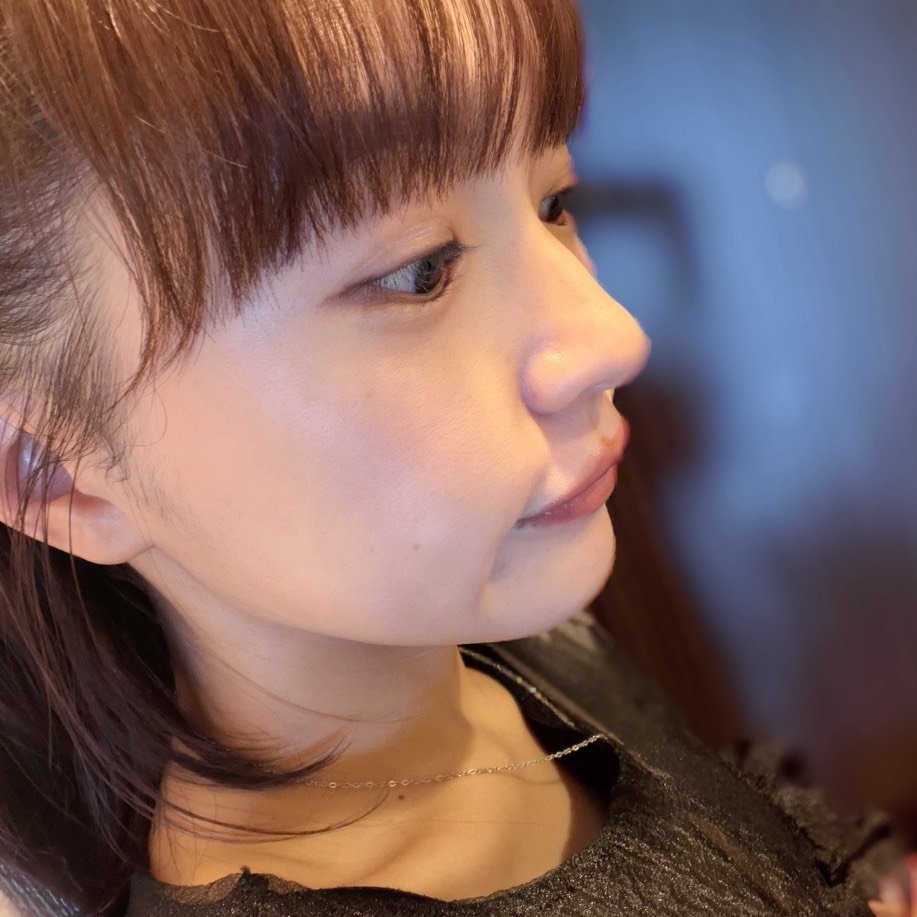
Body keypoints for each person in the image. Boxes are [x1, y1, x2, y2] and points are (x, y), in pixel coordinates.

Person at [0, 1, 897, 915]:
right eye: (418, 270)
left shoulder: (524, 649)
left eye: (553, 203)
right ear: (53, 472)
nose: (612, 335)